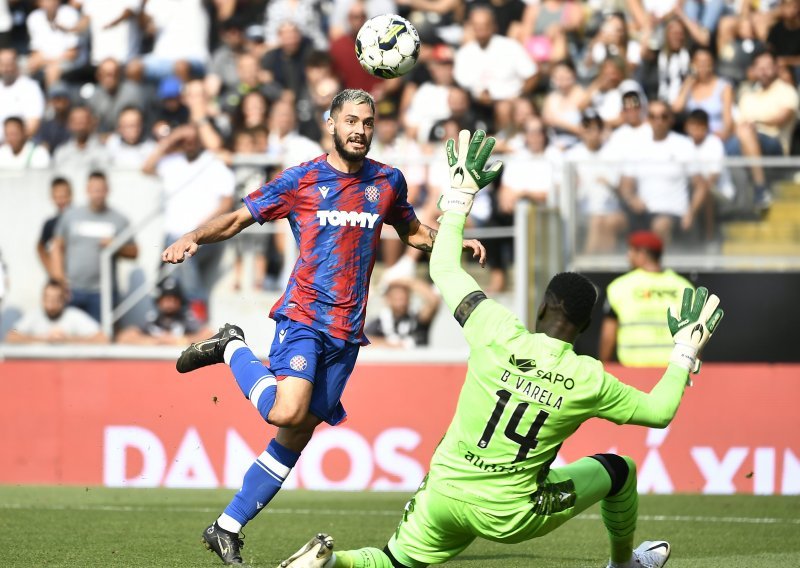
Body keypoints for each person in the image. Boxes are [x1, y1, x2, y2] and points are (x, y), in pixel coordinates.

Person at [277, 129, 724, 568]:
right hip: (510, 513)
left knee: (395, 561)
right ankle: (623, 565)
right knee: (618, 468)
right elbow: (660, 411)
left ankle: (333, 563)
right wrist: (684, 349)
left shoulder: (494, 328)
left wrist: (457, 200)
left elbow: (446, 268)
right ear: (586, 325)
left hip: (444, 494)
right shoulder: (589, 379)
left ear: (544, 306)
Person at [160, 89, 487, 565]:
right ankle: (231, 346)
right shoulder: (303, 179)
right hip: (305, 315)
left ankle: (226, 526)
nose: (360, 130)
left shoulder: (387, 181)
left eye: (368, 123)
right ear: (331, 125)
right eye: (351, 121)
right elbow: (237, 218)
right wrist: (192, 236)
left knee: (297, 433)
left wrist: (454, 241)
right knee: (285, 412)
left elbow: (412, 231)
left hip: (347, 332)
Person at [50, 171, 138, 322]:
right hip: (72, 290)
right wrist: (60, 281)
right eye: (94, 189)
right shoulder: (71, 216)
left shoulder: (119, 219)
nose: (97, 194)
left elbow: (134, 252)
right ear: (87, 190)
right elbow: (57, 247)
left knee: (99, 339)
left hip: (103, 293)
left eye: (101, 189)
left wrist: (116, 245)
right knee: (71, 338)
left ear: (107, 190)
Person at [599, 230, 695, 367]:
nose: (628, 256)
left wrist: (604, 368)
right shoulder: (684, 287)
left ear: (642, 253)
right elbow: (695, 336)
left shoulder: (620, 287)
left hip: (633, 374)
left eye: (631, 251)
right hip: (674, 372)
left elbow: (608, 336)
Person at [116, 277, 212, 345]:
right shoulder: (153, 321)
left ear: (180, 301)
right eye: (166, 299)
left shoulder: (186, 321)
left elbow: (209, 335)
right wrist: (155, 341)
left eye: (174, 299)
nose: (170, 303)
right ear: (158, 301)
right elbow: (123, 338)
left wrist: (181, 341)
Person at [5, 279, 108, 344]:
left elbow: (102, 338)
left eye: (55, 300)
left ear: (64, 300)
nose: (50, 305)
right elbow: (11, 336)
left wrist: (67, 340)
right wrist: (43, 339)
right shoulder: (34, 316)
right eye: (47, 299)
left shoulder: (74, 315)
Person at [364, 276, 441, 348]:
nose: (401, 299)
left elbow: (433, 301)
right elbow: (362, 342)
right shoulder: (379, 323)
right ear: (388, 299)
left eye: (404, 295)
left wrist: (408, 282)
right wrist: (390, 346)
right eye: (396, 296)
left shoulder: (418, 319)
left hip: (419, 361)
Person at [37, 177, 73, 279]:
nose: (61, 201)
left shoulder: (78, 220)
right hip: (60, 280)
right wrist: (51, 270)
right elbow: (40, 247)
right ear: (52, 198)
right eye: (57, 197)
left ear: (71, 195)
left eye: (64, 196)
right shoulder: (50, 224)